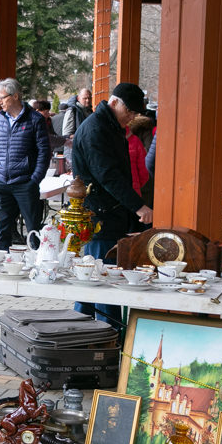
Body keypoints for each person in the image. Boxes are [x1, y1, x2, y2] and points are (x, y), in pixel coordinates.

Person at [72, 83, 153, 324]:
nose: (132, 117)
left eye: (136, 113)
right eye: (130, 111)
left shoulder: (110, 126)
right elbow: (108, 175)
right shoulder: (96, 129)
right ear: (115, 103)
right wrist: (138, 206)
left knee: (93, 279)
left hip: (111, 214)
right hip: (101, 216)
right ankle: (108, 334)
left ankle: (79, 329)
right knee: (102, 279)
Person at [0, 78, 51, 251]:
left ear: (15, 96)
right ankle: (0, 269)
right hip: (0, 182)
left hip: (25, 183)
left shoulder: (35, 120)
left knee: (33, 231)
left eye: (2, 98)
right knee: (2, 231)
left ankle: (38, 268)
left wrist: (34, 179)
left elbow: (44, 152)